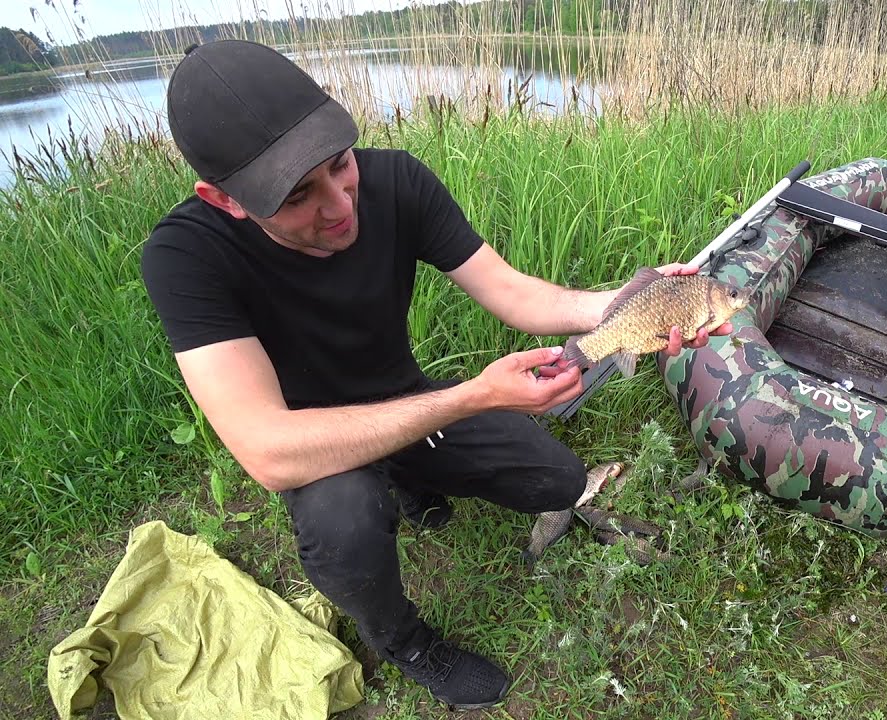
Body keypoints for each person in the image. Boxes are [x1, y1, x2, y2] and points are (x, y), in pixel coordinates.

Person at [140, 39, 730, 710]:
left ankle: (411, 471)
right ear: (224, 199)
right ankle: (404, 641)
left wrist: (626, 305)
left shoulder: (395, 181)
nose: (339, 205)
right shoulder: (186, 255)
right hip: (314, 445)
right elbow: (269, 450)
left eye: (340, 165)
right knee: (347, 520)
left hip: (404, 397)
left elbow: (512, 292)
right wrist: (474, 397)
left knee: (560, 480)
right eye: (300, 196)